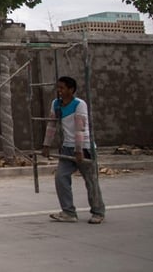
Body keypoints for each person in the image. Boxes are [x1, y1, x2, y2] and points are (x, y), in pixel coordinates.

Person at [41, 75, 106, 224]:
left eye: (62, 88)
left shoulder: (79, 104)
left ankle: (98, 212)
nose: (59, 91)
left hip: (84, 147)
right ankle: (68, 212)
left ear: (71, 89)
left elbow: (80, 128)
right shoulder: (56, 104)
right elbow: (52, 125)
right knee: (61, 177)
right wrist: (46, 145)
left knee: (91, 181)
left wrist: (79, 149)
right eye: (58, 88)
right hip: (67, 148)